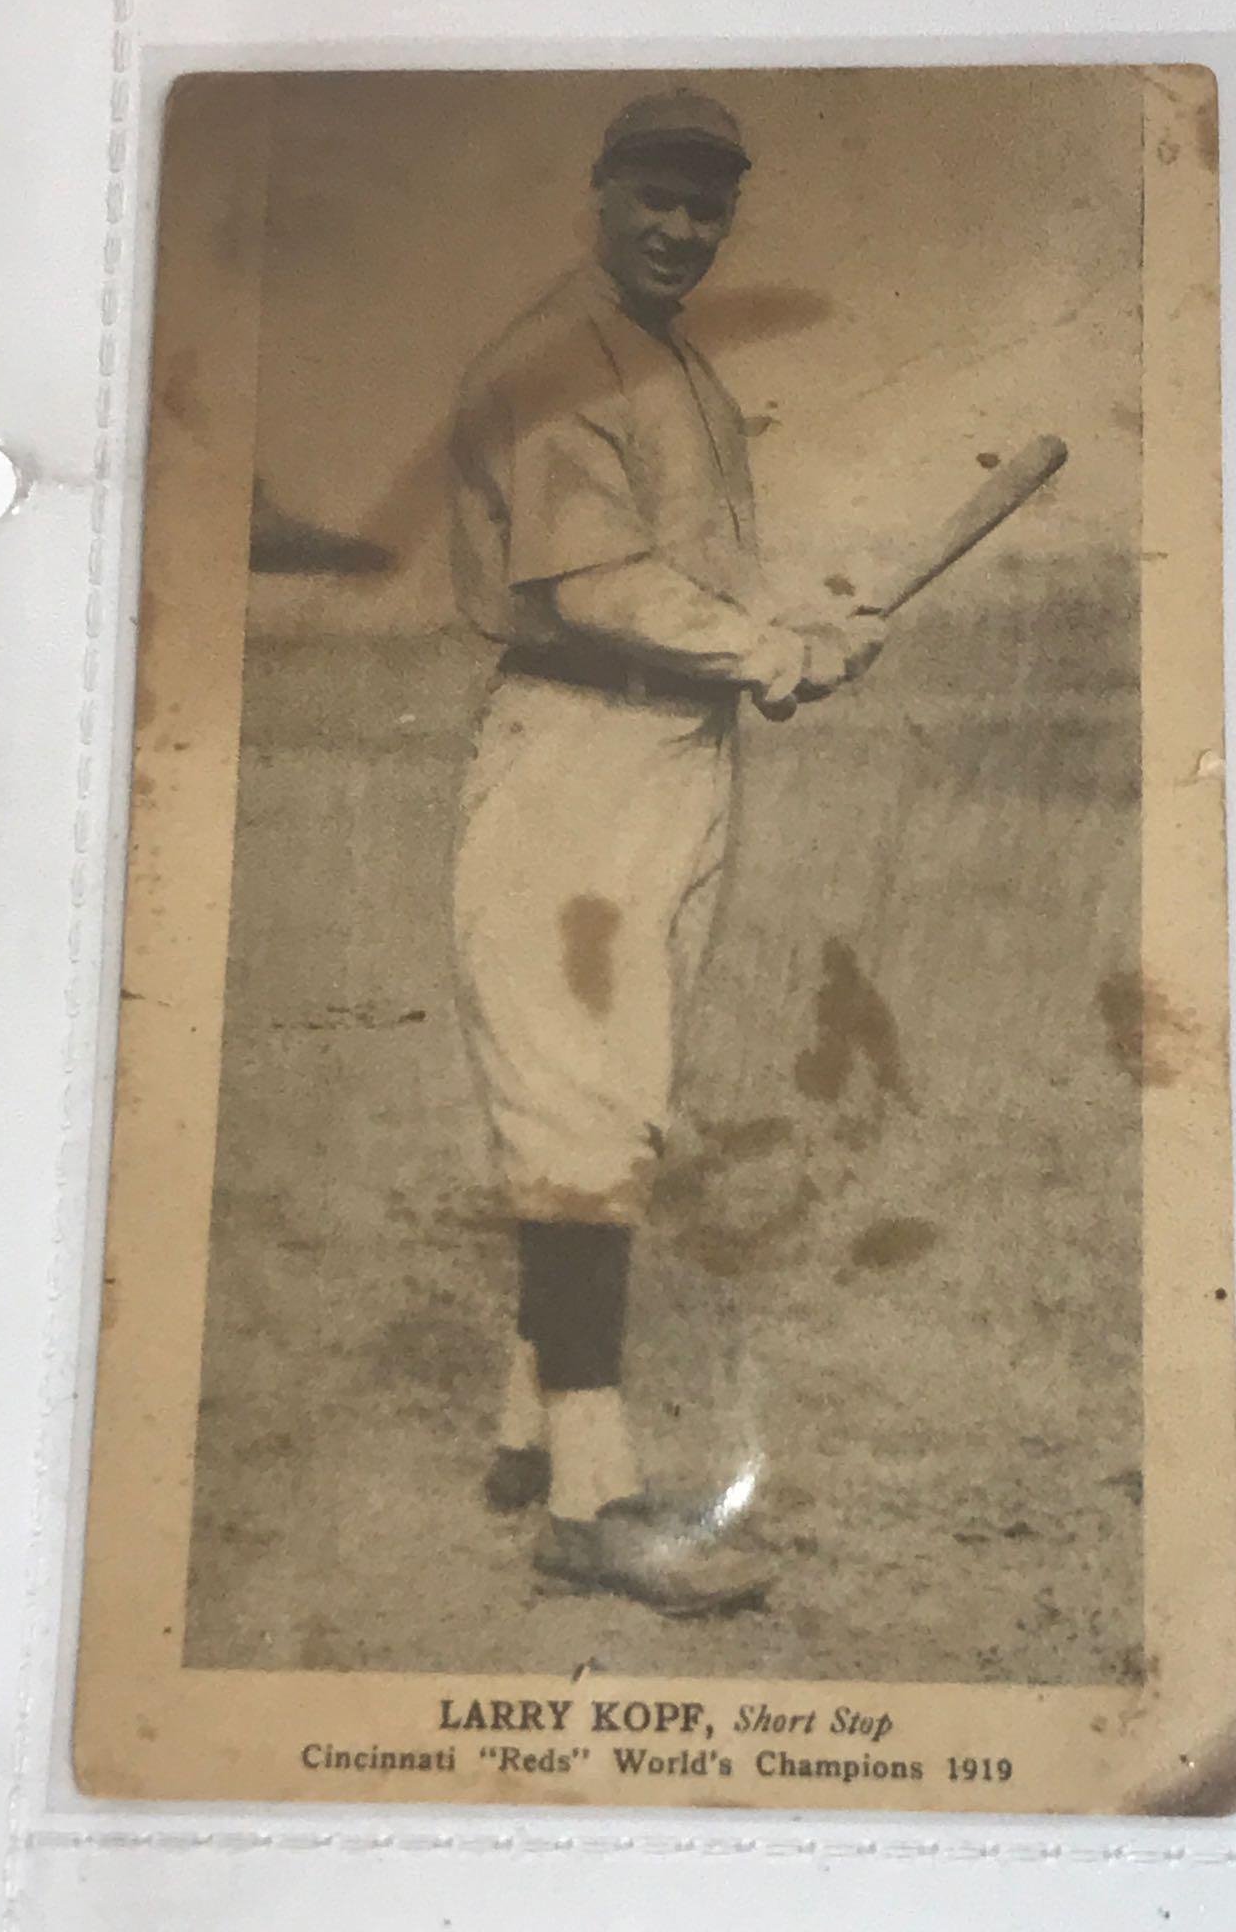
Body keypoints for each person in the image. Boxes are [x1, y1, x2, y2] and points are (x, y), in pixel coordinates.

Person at [449, 89, 883, 1616]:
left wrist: (801, 638)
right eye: (657, 198)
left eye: (710, 207)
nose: (683, 230)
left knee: (605, 1105)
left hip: (663, 755)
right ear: (602, 191)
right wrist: (774, 646)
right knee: (585, 1108)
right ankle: (592, 1504)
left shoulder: (669, 358)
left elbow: (689, 583)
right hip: (581, 746)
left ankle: (525, 1429)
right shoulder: (569, 355)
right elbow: (590, 590)